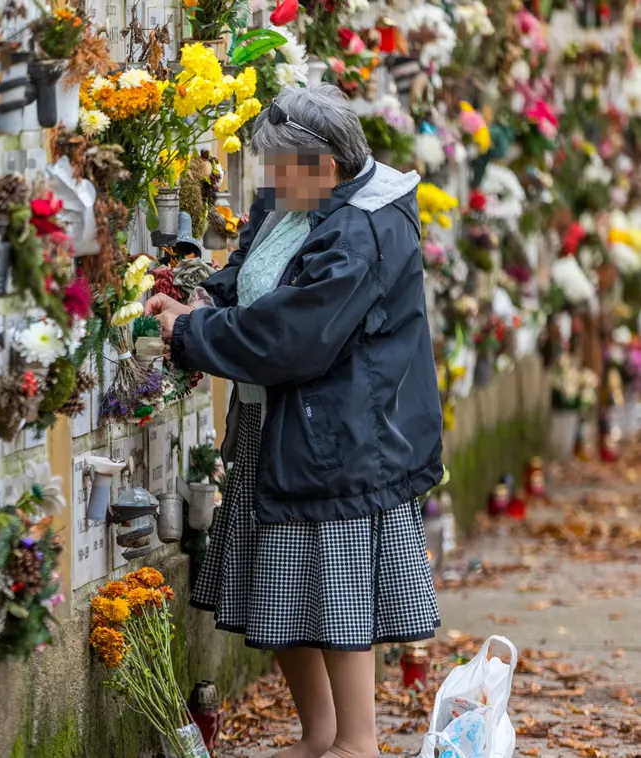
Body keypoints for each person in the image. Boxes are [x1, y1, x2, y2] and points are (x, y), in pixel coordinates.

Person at [147, 84, 443, 758]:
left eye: (280, 168)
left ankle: (356, 745)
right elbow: (259, 275)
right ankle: (320, 736)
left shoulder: (361, 228)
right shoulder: (302, 204)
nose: (270, 181)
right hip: (283, 425)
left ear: (325, 165)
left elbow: (293, 337)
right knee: (281, 591)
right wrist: (200, 293)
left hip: (337, 437)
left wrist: (192, 333)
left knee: (332, 595)